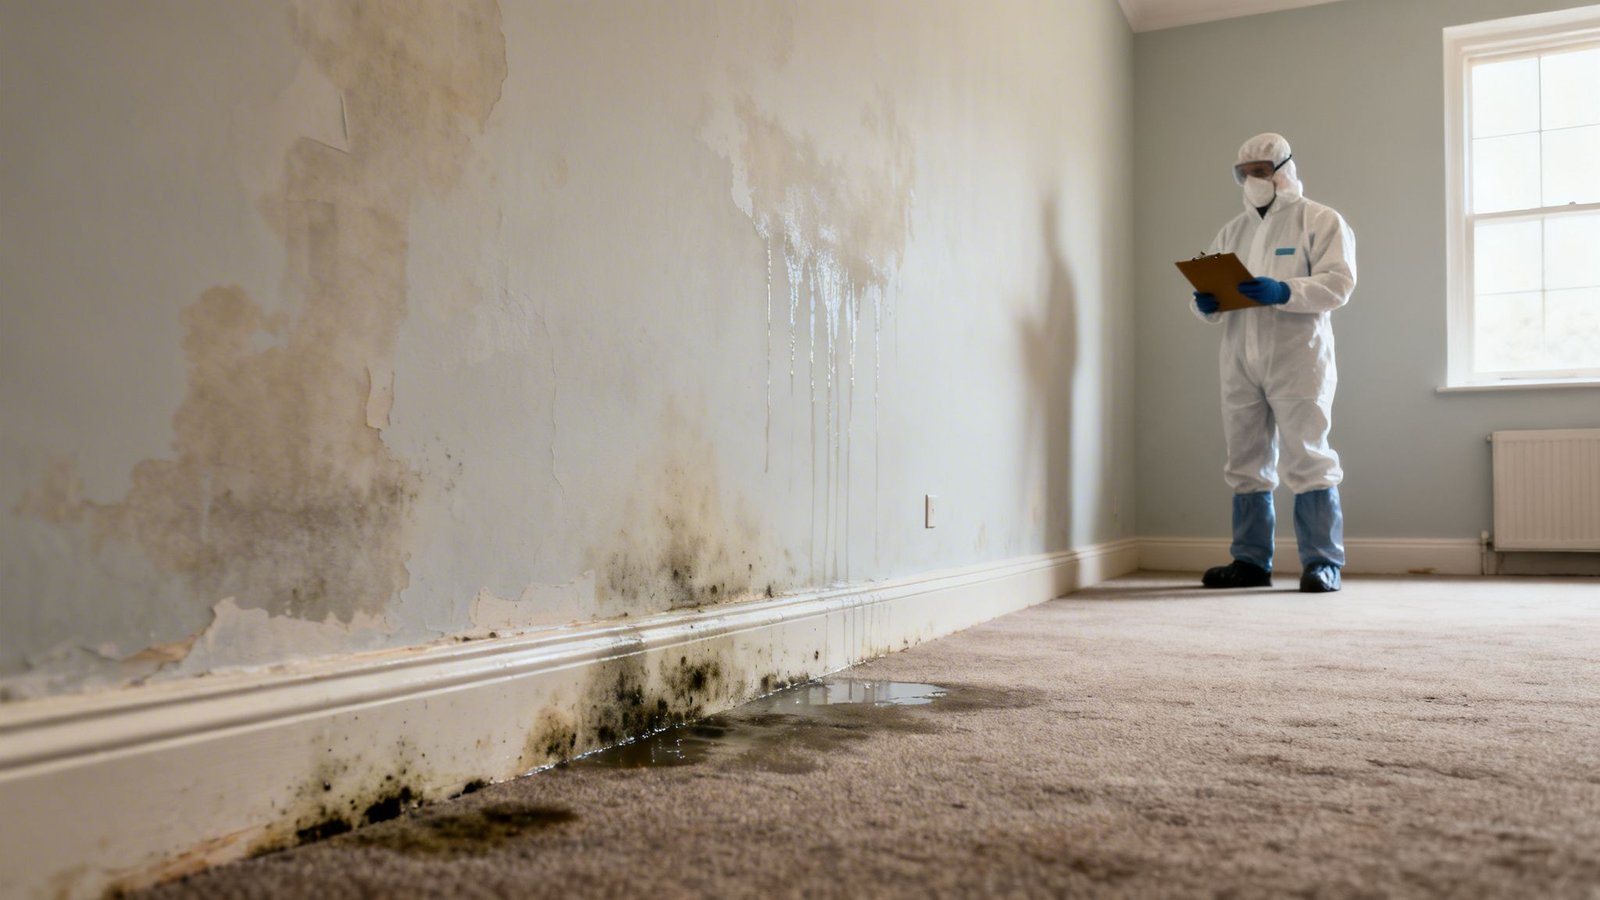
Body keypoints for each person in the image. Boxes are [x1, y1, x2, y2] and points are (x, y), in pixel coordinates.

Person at [1190, 133, 1355, 593]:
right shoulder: (1233, 231)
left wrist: (1286, 291)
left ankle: (1323, 562)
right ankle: (1249, 562)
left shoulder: (1319, 220)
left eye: (1260, 172)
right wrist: (1205, 303)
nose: (1252, 181)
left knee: (1308, 455)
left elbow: (1339, 283)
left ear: (1283, 170)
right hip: (1240, 356)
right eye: (1245, 174)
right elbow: (1211, 287)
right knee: (1245, 457)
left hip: (1297, 357)